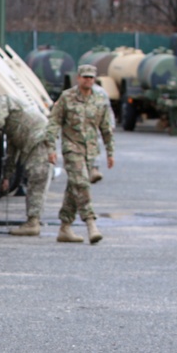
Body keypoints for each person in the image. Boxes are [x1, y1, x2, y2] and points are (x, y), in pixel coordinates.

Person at [45, 63, 115, 244]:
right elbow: (53, 123)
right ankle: (91, 223)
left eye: (91, 77)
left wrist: (110, 152)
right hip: (72, 148)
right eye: (85, 77)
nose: (88, 80)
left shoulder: (100, 99)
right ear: (78, 78)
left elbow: (106, 127)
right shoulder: (67, 97)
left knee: (74, 187)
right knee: (82, 183)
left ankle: (65, 227)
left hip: (90, 151)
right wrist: (51, 148)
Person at [0, 94, 54, 236]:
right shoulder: (12, 123)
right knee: (37, 180)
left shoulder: (2, 101)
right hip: (36, 141)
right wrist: (7, 177)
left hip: (39, 139)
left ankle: (33, 222)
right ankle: (33, 220)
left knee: (37, 180)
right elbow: (12, 152)